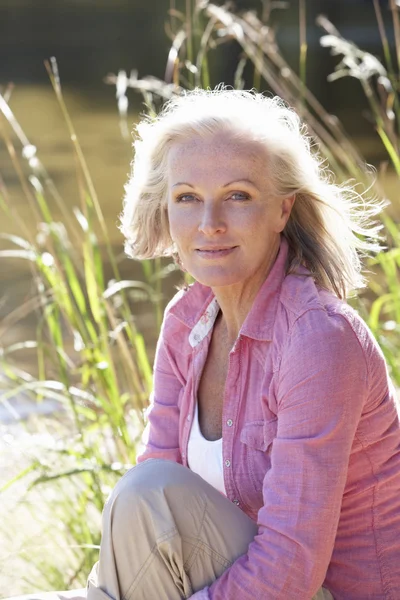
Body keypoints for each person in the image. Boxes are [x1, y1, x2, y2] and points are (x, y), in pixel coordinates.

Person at [12, 87, 400, 600]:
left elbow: (291, 565)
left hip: (322, 590)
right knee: (141, 494)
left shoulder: (318, 340)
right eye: (187, 197)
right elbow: (146, 510)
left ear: (283, 209)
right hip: (237, 583)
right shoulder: (185, 322)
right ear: (166, 207)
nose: (209, 223)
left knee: (148, 495)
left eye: (238, 195)